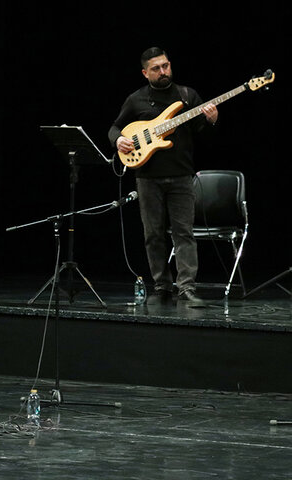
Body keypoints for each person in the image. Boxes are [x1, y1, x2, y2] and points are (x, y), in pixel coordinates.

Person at [108, 47, 218, 308]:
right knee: (153, 234)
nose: (163, 71)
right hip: (147, 177)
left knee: (184, 233)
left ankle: (187, 288)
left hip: (181, 175)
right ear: (145, 73)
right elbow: (114, 128)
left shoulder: (187, 95)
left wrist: (211, 121)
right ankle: (161, 286)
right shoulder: (136, 99)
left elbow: (204, 136)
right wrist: (119, 140)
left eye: (166, 66)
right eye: (156, 68)